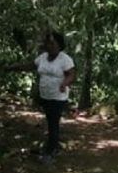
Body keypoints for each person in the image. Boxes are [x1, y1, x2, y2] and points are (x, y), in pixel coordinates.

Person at [6, 31, 76, 162]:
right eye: (47, 43)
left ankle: (51, 152)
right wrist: (13, 68)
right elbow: (30, 66)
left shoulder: (65, 59)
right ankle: (51, 145)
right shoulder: (43, 57)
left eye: (52, 43)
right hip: (45, 96)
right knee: (50, 122)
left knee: (53, 123)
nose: (49, 45)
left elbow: (71, 75)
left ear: (59, 45)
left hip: (58, 97)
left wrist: (64, 84)